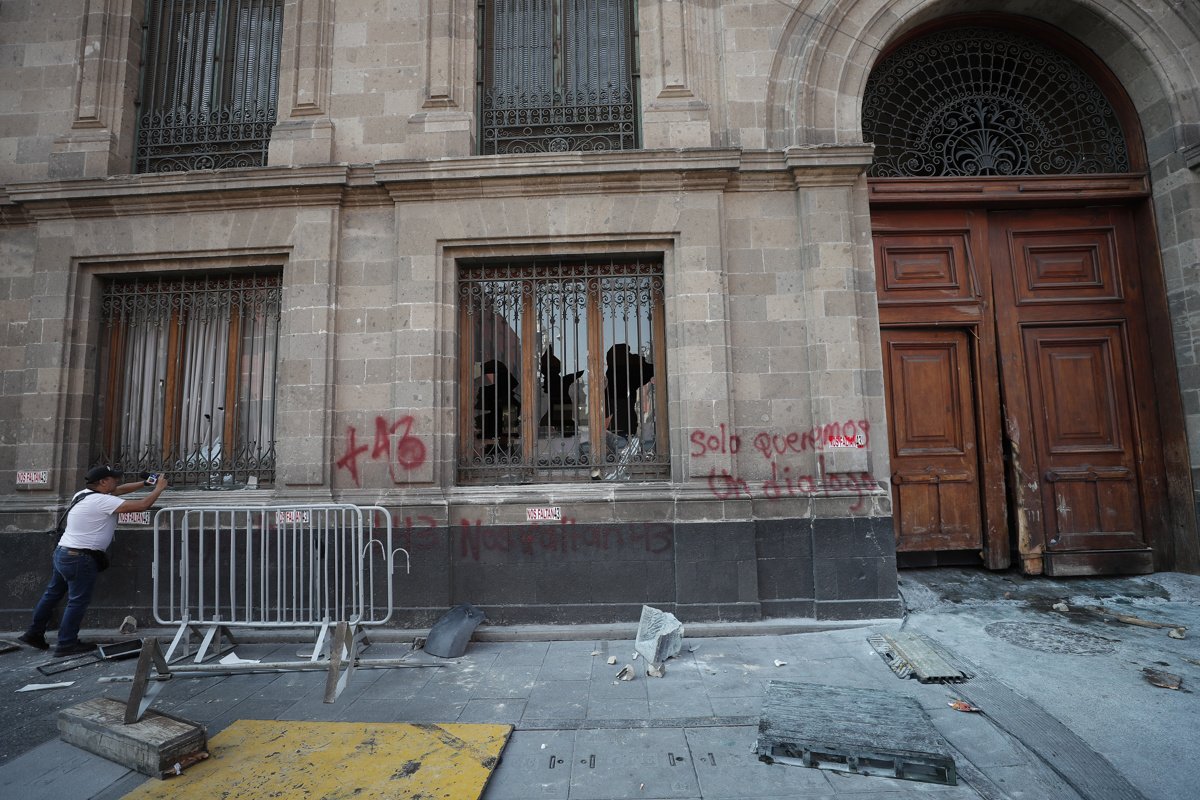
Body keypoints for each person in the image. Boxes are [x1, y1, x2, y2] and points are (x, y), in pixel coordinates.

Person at [18, 466, 169, 657]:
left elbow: (120, 490)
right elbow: (141, 506)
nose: (117, 481)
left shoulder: (83, 494)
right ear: (103, 482)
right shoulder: (101, 501)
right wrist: (159, 489)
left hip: (64, 553)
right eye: (113, 478)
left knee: (52, 595)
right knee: (77, 601)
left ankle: (33, 633)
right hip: (80, 558)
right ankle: (66, 643)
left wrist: (145, 483)